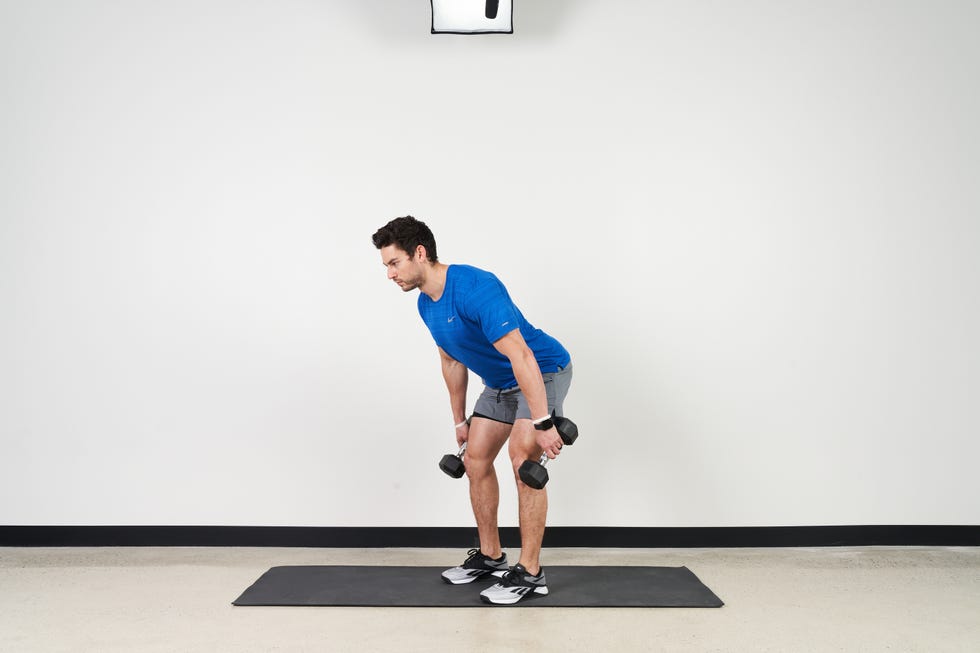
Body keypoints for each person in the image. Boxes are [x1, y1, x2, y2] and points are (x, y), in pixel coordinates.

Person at [372, 215, 573, 605]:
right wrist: (460, 420)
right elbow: (451, 360)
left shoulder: (475, 287)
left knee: (522, 460)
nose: (390, 274)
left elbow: (522, 355)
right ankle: (492, 556)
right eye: (386, 267)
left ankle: (531, 573)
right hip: (499, 383)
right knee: (477, 459)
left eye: (394, 263)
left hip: (541, 370)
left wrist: (544, 421)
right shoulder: (425, 304)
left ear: (419, 253)